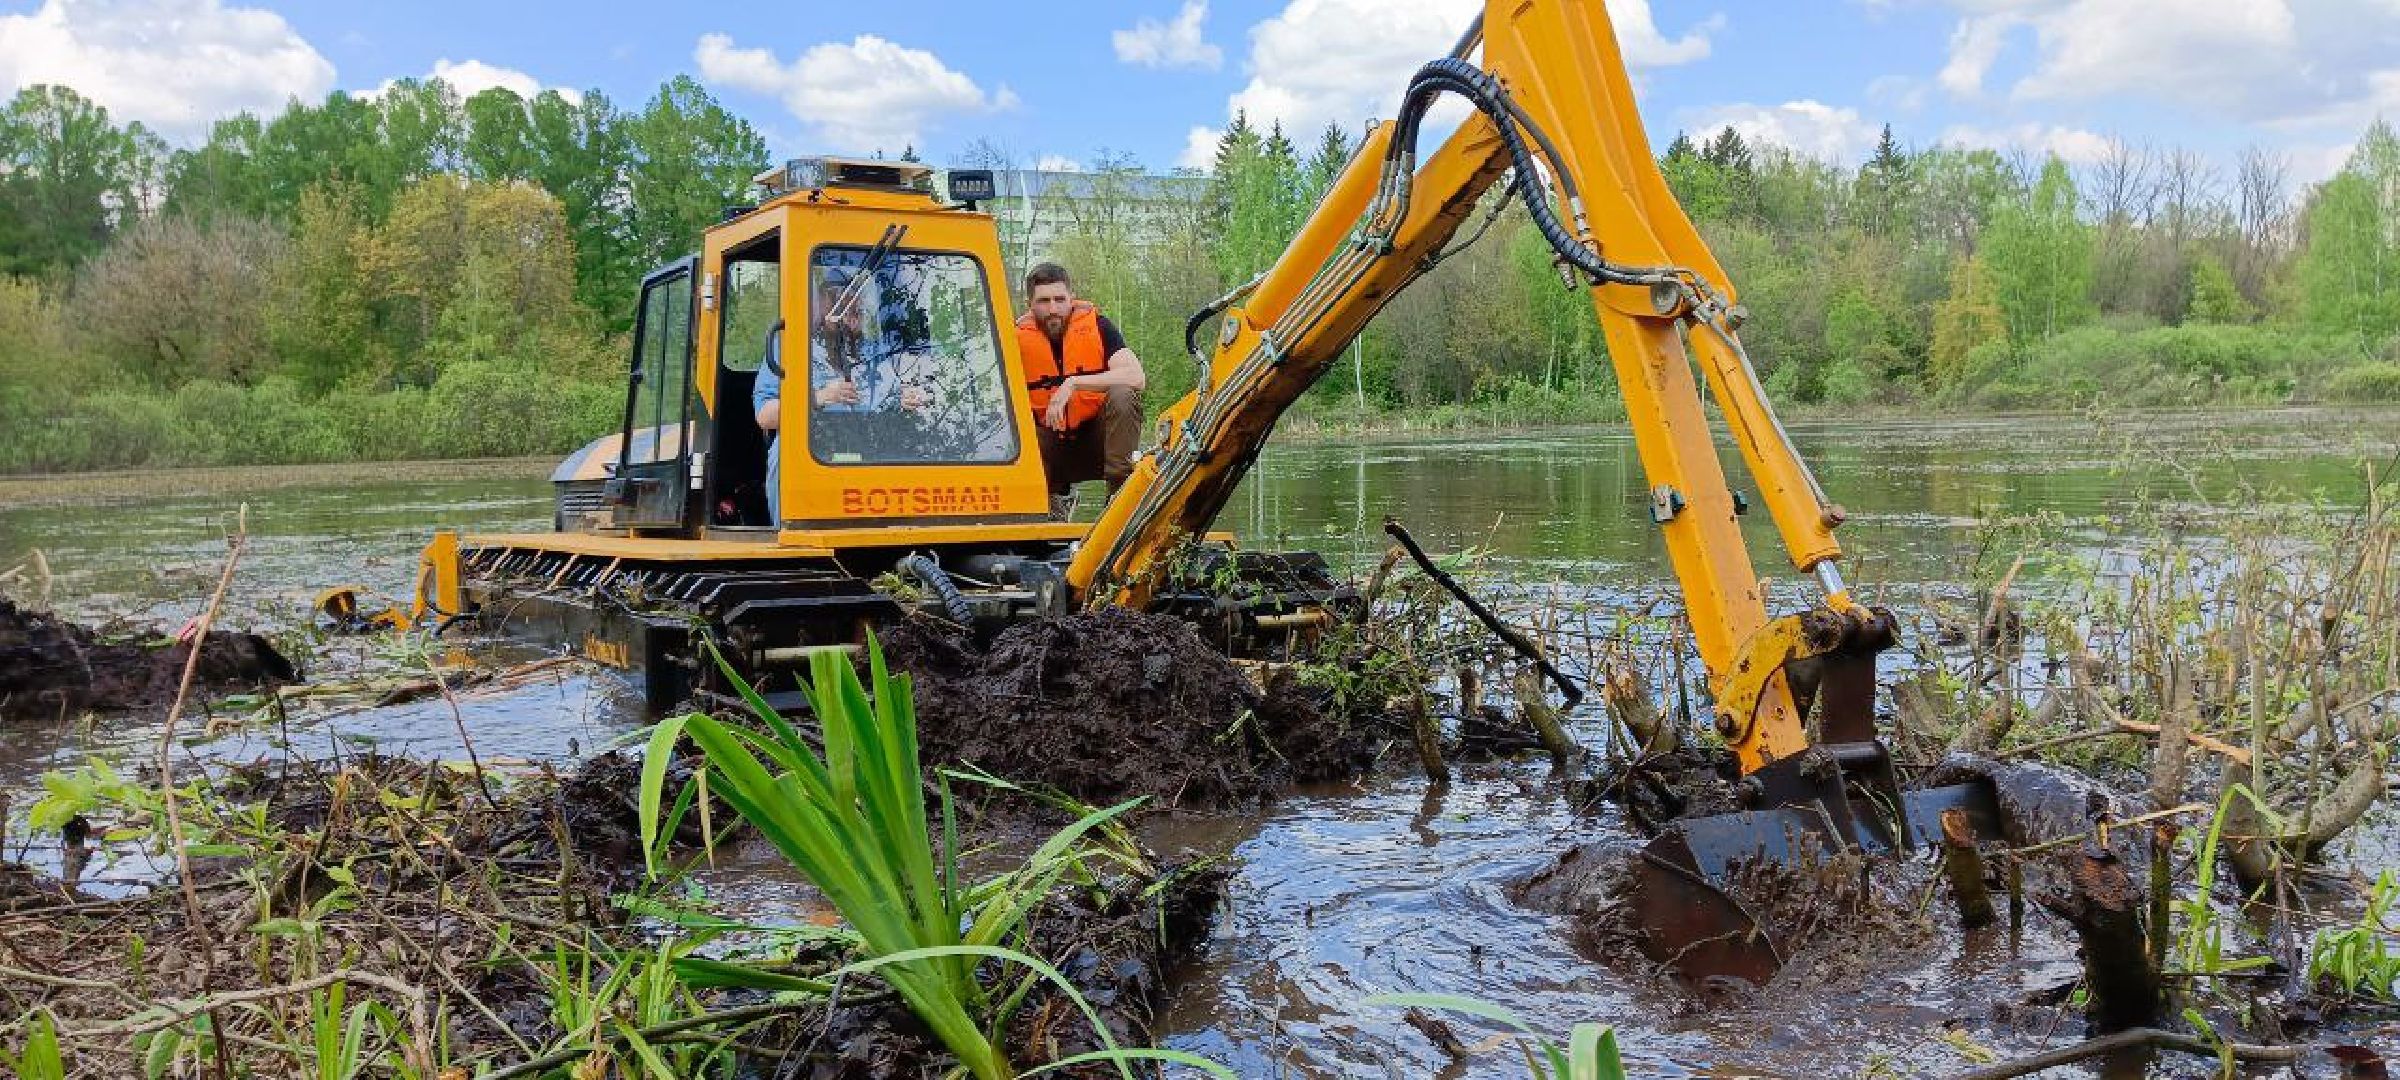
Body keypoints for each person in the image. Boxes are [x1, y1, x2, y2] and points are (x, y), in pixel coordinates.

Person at [752, 265, 929, 521]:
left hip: (872, 450)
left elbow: (889, 394)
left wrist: (904, 398)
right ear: (822, 302)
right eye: (841, 300)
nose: (851, 308)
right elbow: (766, 416)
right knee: (784, 452)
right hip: (815, 455)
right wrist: (820, 397)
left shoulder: (872, 351)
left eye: (857, 300)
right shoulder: (791, 347)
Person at [1015, 262, 1144, 516]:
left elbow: (1136, 376)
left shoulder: (1099, 327)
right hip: (1048, 450)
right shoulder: (1015, 339)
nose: (1053, 309)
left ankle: (1119, 495)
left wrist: (1073, 383)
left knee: (1123, 394)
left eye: (1059, 299)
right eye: (1043, 301)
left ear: (1071, 298)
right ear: (1030, 303)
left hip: (1096, 446)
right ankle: (1047, 503)